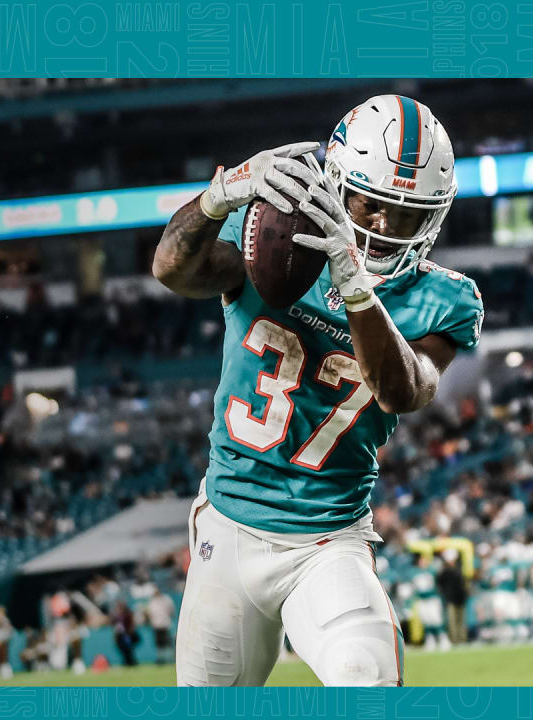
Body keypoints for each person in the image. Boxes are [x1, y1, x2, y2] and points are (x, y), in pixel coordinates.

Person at [154, 95, 482, 687]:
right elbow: (173, 270)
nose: (384, 227)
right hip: (230, 526)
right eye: (372, 204)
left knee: (369, 676)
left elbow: (403, 392)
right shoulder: (272, 233)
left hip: (327, 539)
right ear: (336, 184)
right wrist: (217, 197)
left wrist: (356, 286)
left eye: (406, 215)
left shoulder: (447, 298)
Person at [436, 549, 468, 644]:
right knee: (452, 621)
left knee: (461, 620)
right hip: (450, 599)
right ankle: (454, 640)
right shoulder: (445, 571)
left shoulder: (459, 568)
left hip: (460, 598)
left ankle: (462, 639)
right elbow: (439, 583)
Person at [145, 588, 176, 664]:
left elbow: (171, 610)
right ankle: (161, 659)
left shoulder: (166, 600)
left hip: (165, 624)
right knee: (159, 644)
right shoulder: (152, 602)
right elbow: (149, 613)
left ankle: (170, 658)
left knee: (168, 643)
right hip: (156, 625)